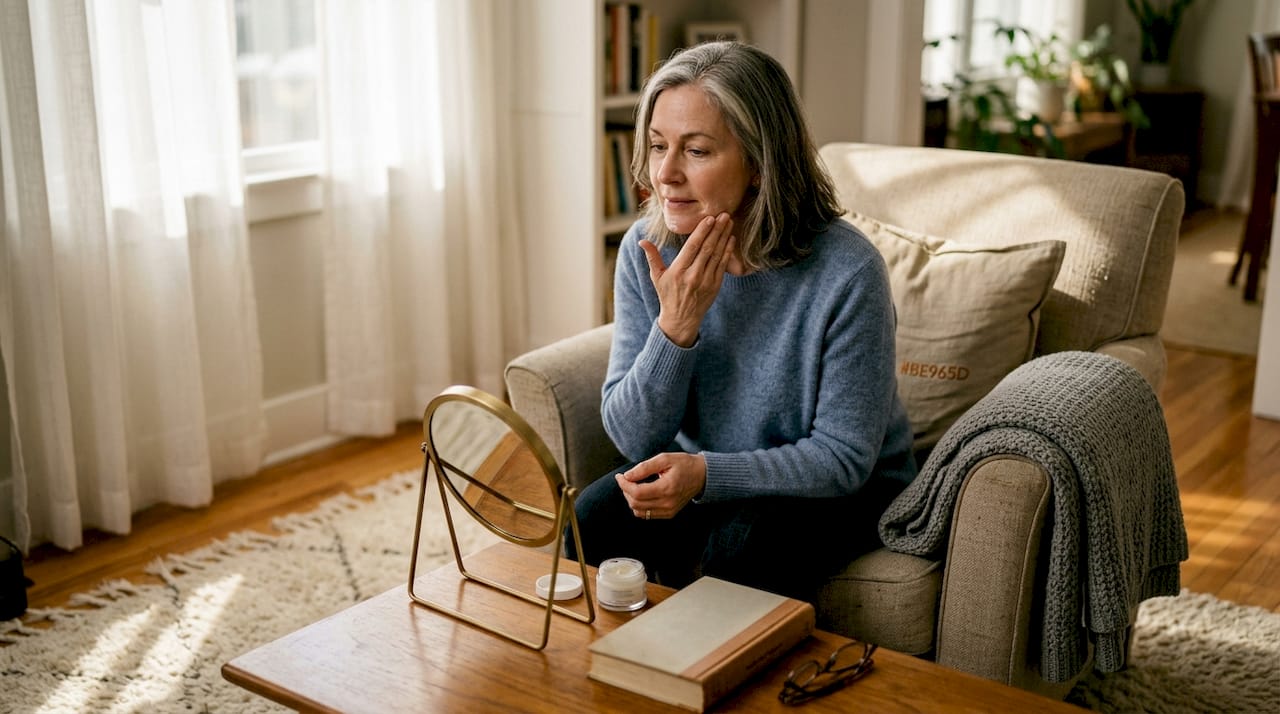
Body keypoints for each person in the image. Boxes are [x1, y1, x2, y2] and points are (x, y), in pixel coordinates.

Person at [568, 41, 916, 602]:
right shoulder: (647, 247)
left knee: (744, 544)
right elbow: (633, 436)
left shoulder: (848, 271)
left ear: (759, 163)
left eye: (697, 151)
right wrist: (675, 328)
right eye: (658, 147)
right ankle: (605, 678)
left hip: (837, 489)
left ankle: (706, 682)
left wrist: (706, 475)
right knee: (596, 516)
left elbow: (844, 458)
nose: (666, 174)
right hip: (706, 474)